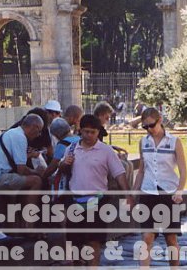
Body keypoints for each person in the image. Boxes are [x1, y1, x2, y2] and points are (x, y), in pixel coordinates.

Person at [60, 114, 130, 266]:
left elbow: (119, 173)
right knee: (74, 242)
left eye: (93, 132)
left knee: (94, 241)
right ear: (80, 130)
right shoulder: (71, 149)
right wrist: (65, 164)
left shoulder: (106, 151)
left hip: (97, 201)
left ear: (98, 132)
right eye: (86, 132)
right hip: (75, 200)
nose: (89, 135)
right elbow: (62, 170)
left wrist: (127, 195)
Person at [133, 107, 187, 268]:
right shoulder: (143, 142)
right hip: (148, 192)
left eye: (151, 125)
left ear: (160, 120)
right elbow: (141, 170)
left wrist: (179, 191)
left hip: (169, 193)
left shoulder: (174, 142)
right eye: (145, 127)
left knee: (170, 238)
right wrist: (132, 194)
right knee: (147, 237)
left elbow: (183, 171)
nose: (149, 129)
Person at [0, 114, 44, 205]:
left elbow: (12, 159)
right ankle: (29, 213)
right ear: (34, 127)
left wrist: (29, 156)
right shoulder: (20, 138)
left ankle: (13, 212)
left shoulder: (12, 132)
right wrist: (36, 172)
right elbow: (21, 170)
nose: (39, 135)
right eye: (39, 131)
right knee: (36, 181)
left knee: (16, 181)